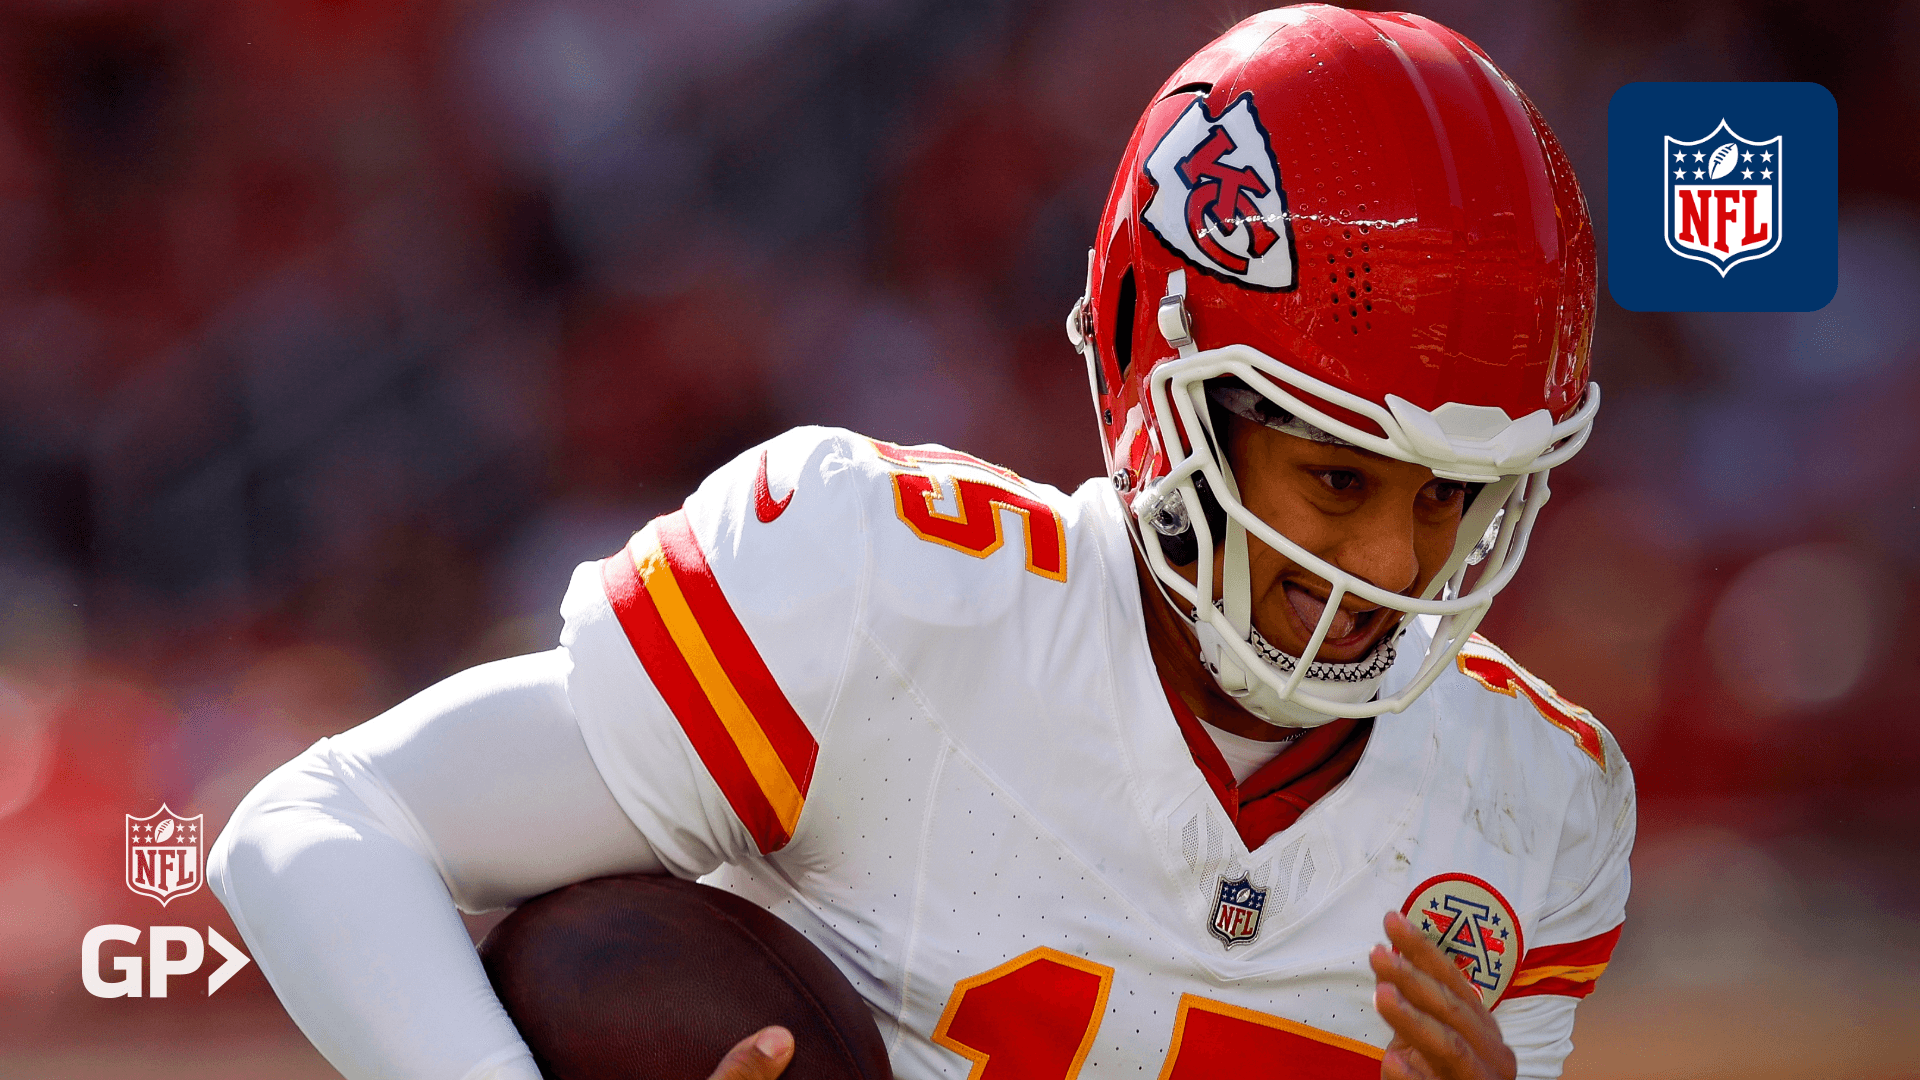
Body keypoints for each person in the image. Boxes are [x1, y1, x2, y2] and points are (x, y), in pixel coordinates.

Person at [210, 7, 1633, 1080]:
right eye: (1336, 479)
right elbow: (316, 826)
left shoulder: (1528, 811)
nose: (1392, 564)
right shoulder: (887, 599)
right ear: (1165, 385)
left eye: (1449, 499)